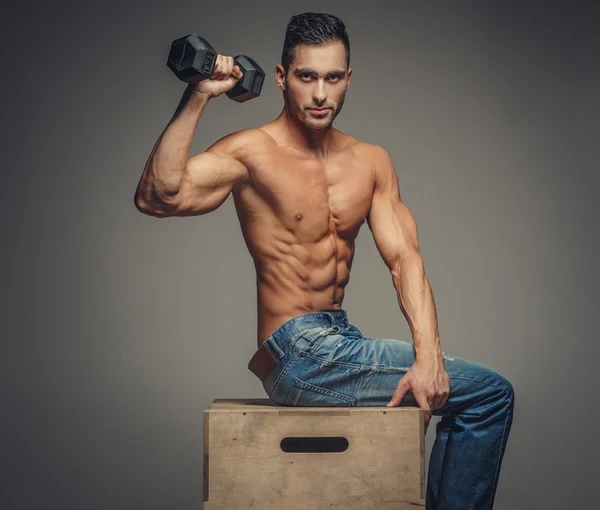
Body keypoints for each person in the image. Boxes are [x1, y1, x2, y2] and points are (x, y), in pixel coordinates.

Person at [134, 12, 514, 510]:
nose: (320, 94)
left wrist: (428, 358)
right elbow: (159, 196)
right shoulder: (253, 152)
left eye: (333, 78)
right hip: (295, 351)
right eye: (306, 76)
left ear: (348, 79)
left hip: (340, 340)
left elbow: (405, 261)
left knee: (463, 391)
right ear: (280, 77)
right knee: (490, 395)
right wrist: (200, 94)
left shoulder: (370, 161)